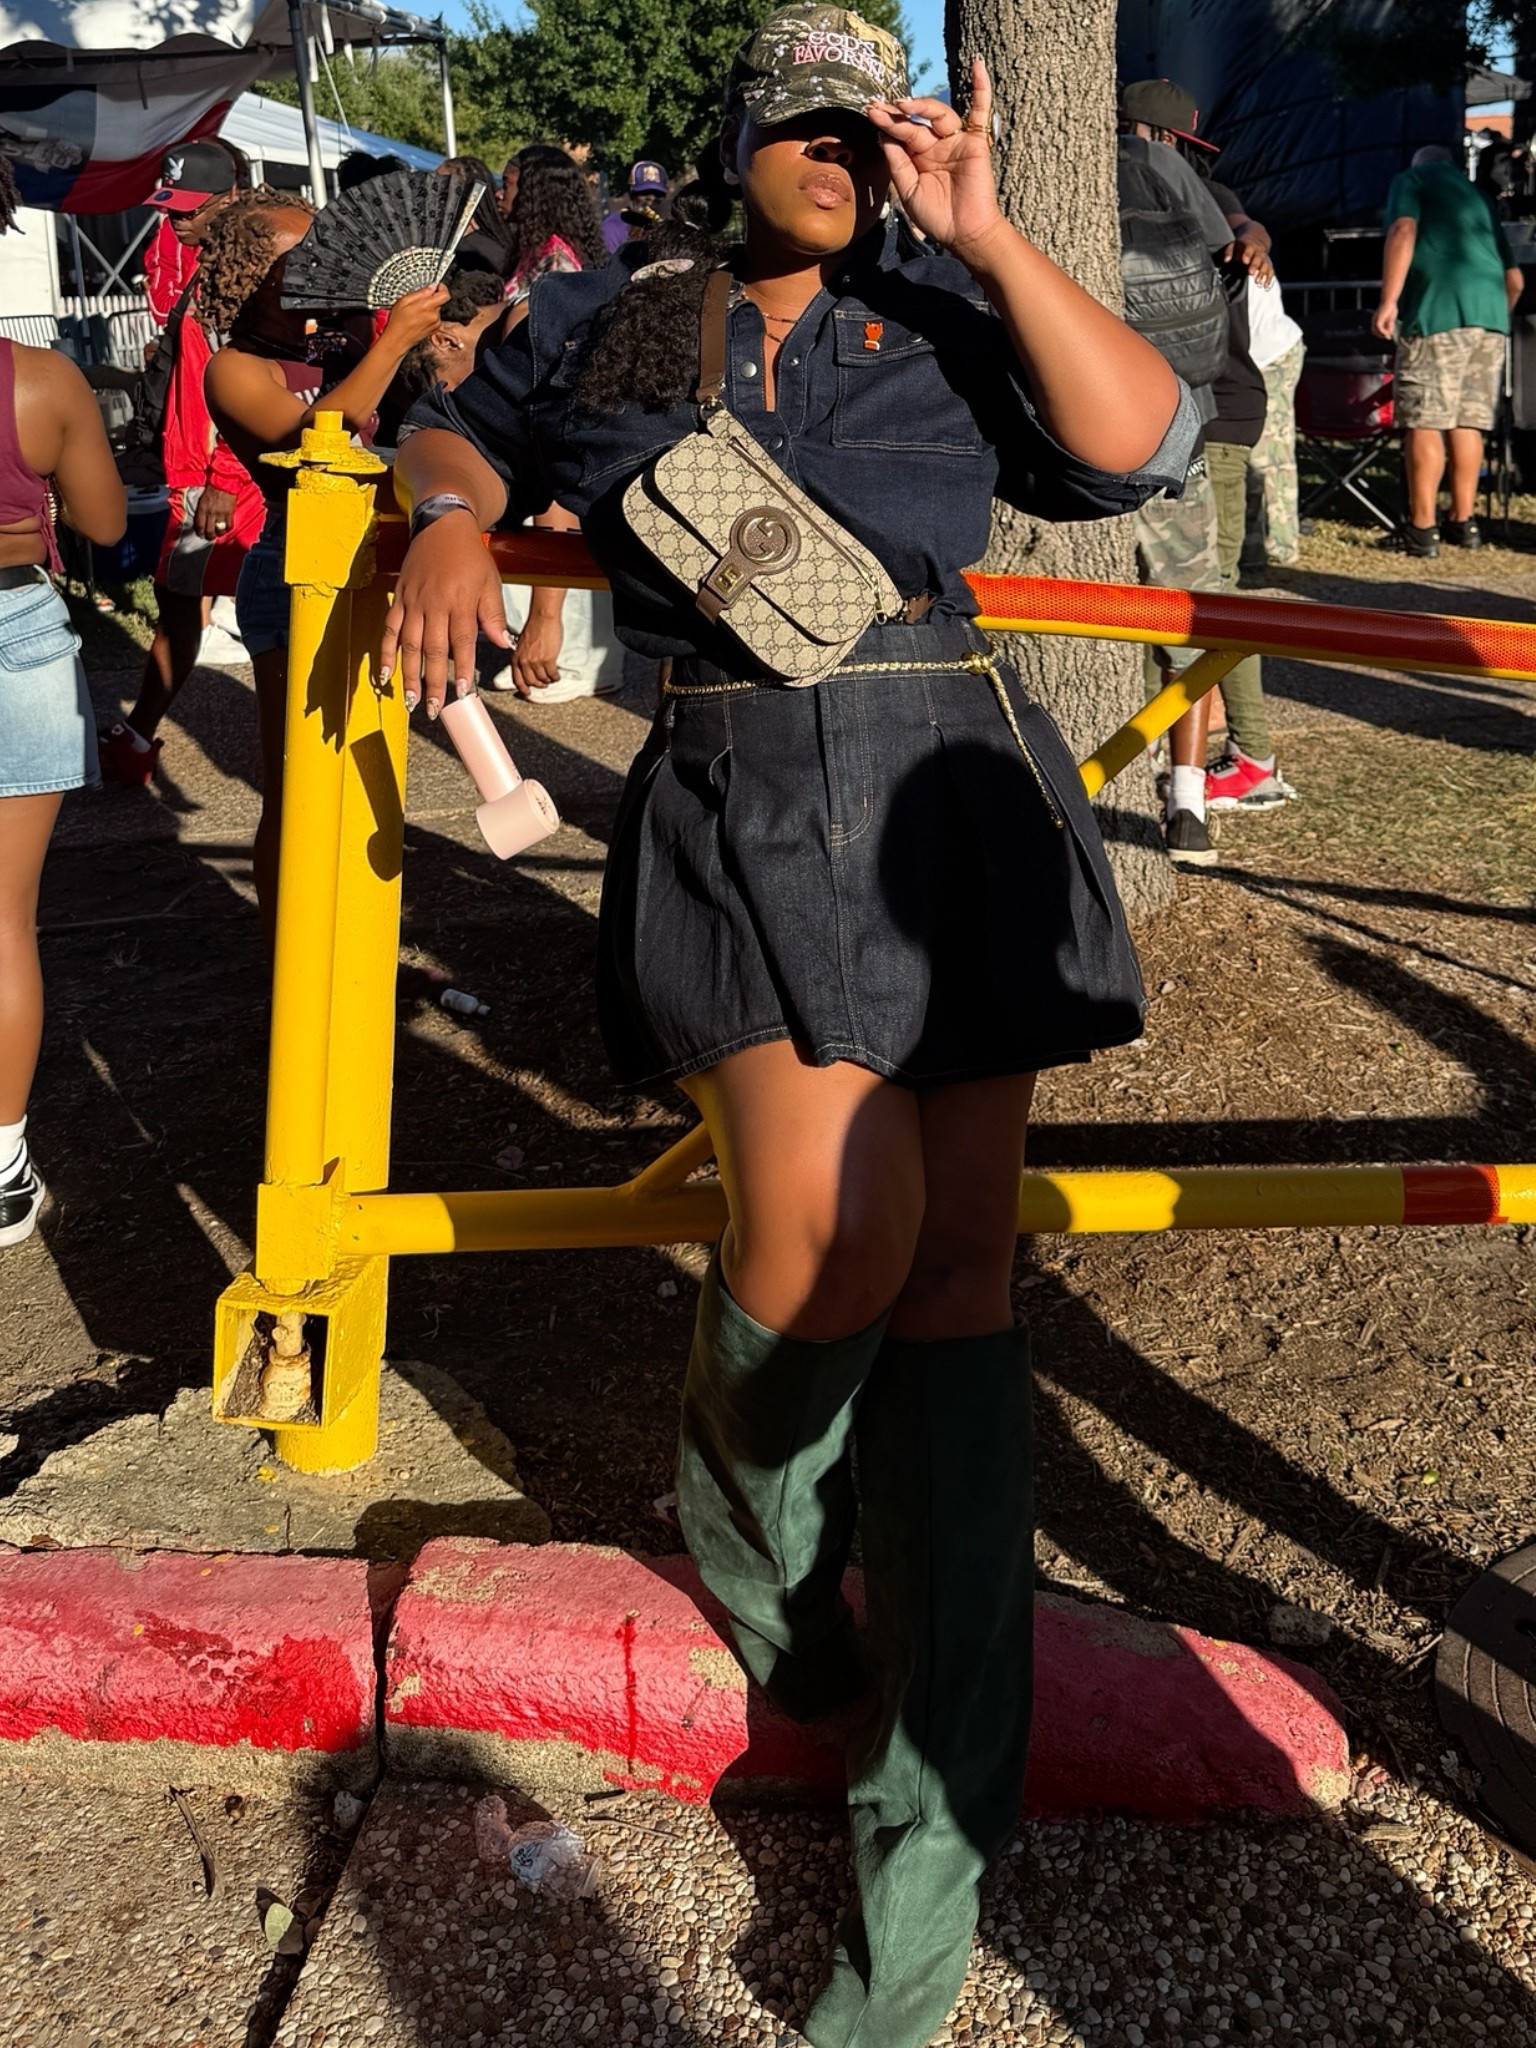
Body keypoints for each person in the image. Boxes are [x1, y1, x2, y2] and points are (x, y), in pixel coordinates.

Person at [387, 12, 1194, 2044]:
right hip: (739, 799)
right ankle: (771, 1585)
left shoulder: (942, 303)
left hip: (948, 789)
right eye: (802, 126)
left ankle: (922, 1889)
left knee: (951, 1277)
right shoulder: (632, 325)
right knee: (820, 1244)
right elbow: (461, 420)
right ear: (735, 142)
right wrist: (455, 513)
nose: (839, 151)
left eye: (870, 119)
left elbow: (1140, 442)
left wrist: (990, 231)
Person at [197, 188, 445, 939]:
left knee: (356, 775)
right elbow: (315, 439)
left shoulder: (329, 348)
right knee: (296, 783)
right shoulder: (234, 369)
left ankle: (355, 947)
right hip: (288, 571)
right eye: (302, 259)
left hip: (363, 568)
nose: (323, 271)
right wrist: (390, 344)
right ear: (254, 277)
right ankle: (291, 955)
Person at [0, 156, 126, 1245]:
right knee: (3, 920)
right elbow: (104, 525)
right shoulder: (41, 383)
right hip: (17, 636)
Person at [1116, 79, 1290, 860]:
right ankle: (1200, 772)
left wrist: (1252, 238)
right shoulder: (1166, 181)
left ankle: (1245, 758)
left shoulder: (1192, 188)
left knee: (1200, 598)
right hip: (1191, 414)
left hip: (1206, 415)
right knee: (1193, 597)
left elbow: (1246, 222)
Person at [99, 137, 263, 787]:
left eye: (190, 209)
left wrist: (223, 477)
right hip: (194, 477)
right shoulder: (213, 268)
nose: (177, 221)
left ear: (232, 199)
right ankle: (140, 734)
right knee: (179, 603)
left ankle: (293, 748)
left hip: (229, 485)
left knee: (265, 618)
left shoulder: (251, 274)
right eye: (169, 208)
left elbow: (257, 380)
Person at [1374, 142, 1525, 556]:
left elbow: (1403, 229)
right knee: (1467, 420)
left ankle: (1422, 530)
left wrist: (1389, 300)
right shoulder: (1477, 195)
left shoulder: (1412, 180)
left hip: (1435, 313)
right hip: (1489, 320)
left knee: (1425, 418)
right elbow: (1515, 281)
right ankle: (1464, 522)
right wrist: (1492, 316)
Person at [504, 144, 607, 307]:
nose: (498, 194)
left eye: (506, 185)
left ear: (530, 192)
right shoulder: (532, 249)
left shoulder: (557, 261)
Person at [601, 158, 669, 254]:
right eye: (644, 192)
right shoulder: (613, 227)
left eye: (657, 193)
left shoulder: (666, 230)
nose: (651, 198)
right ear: (632, 194)